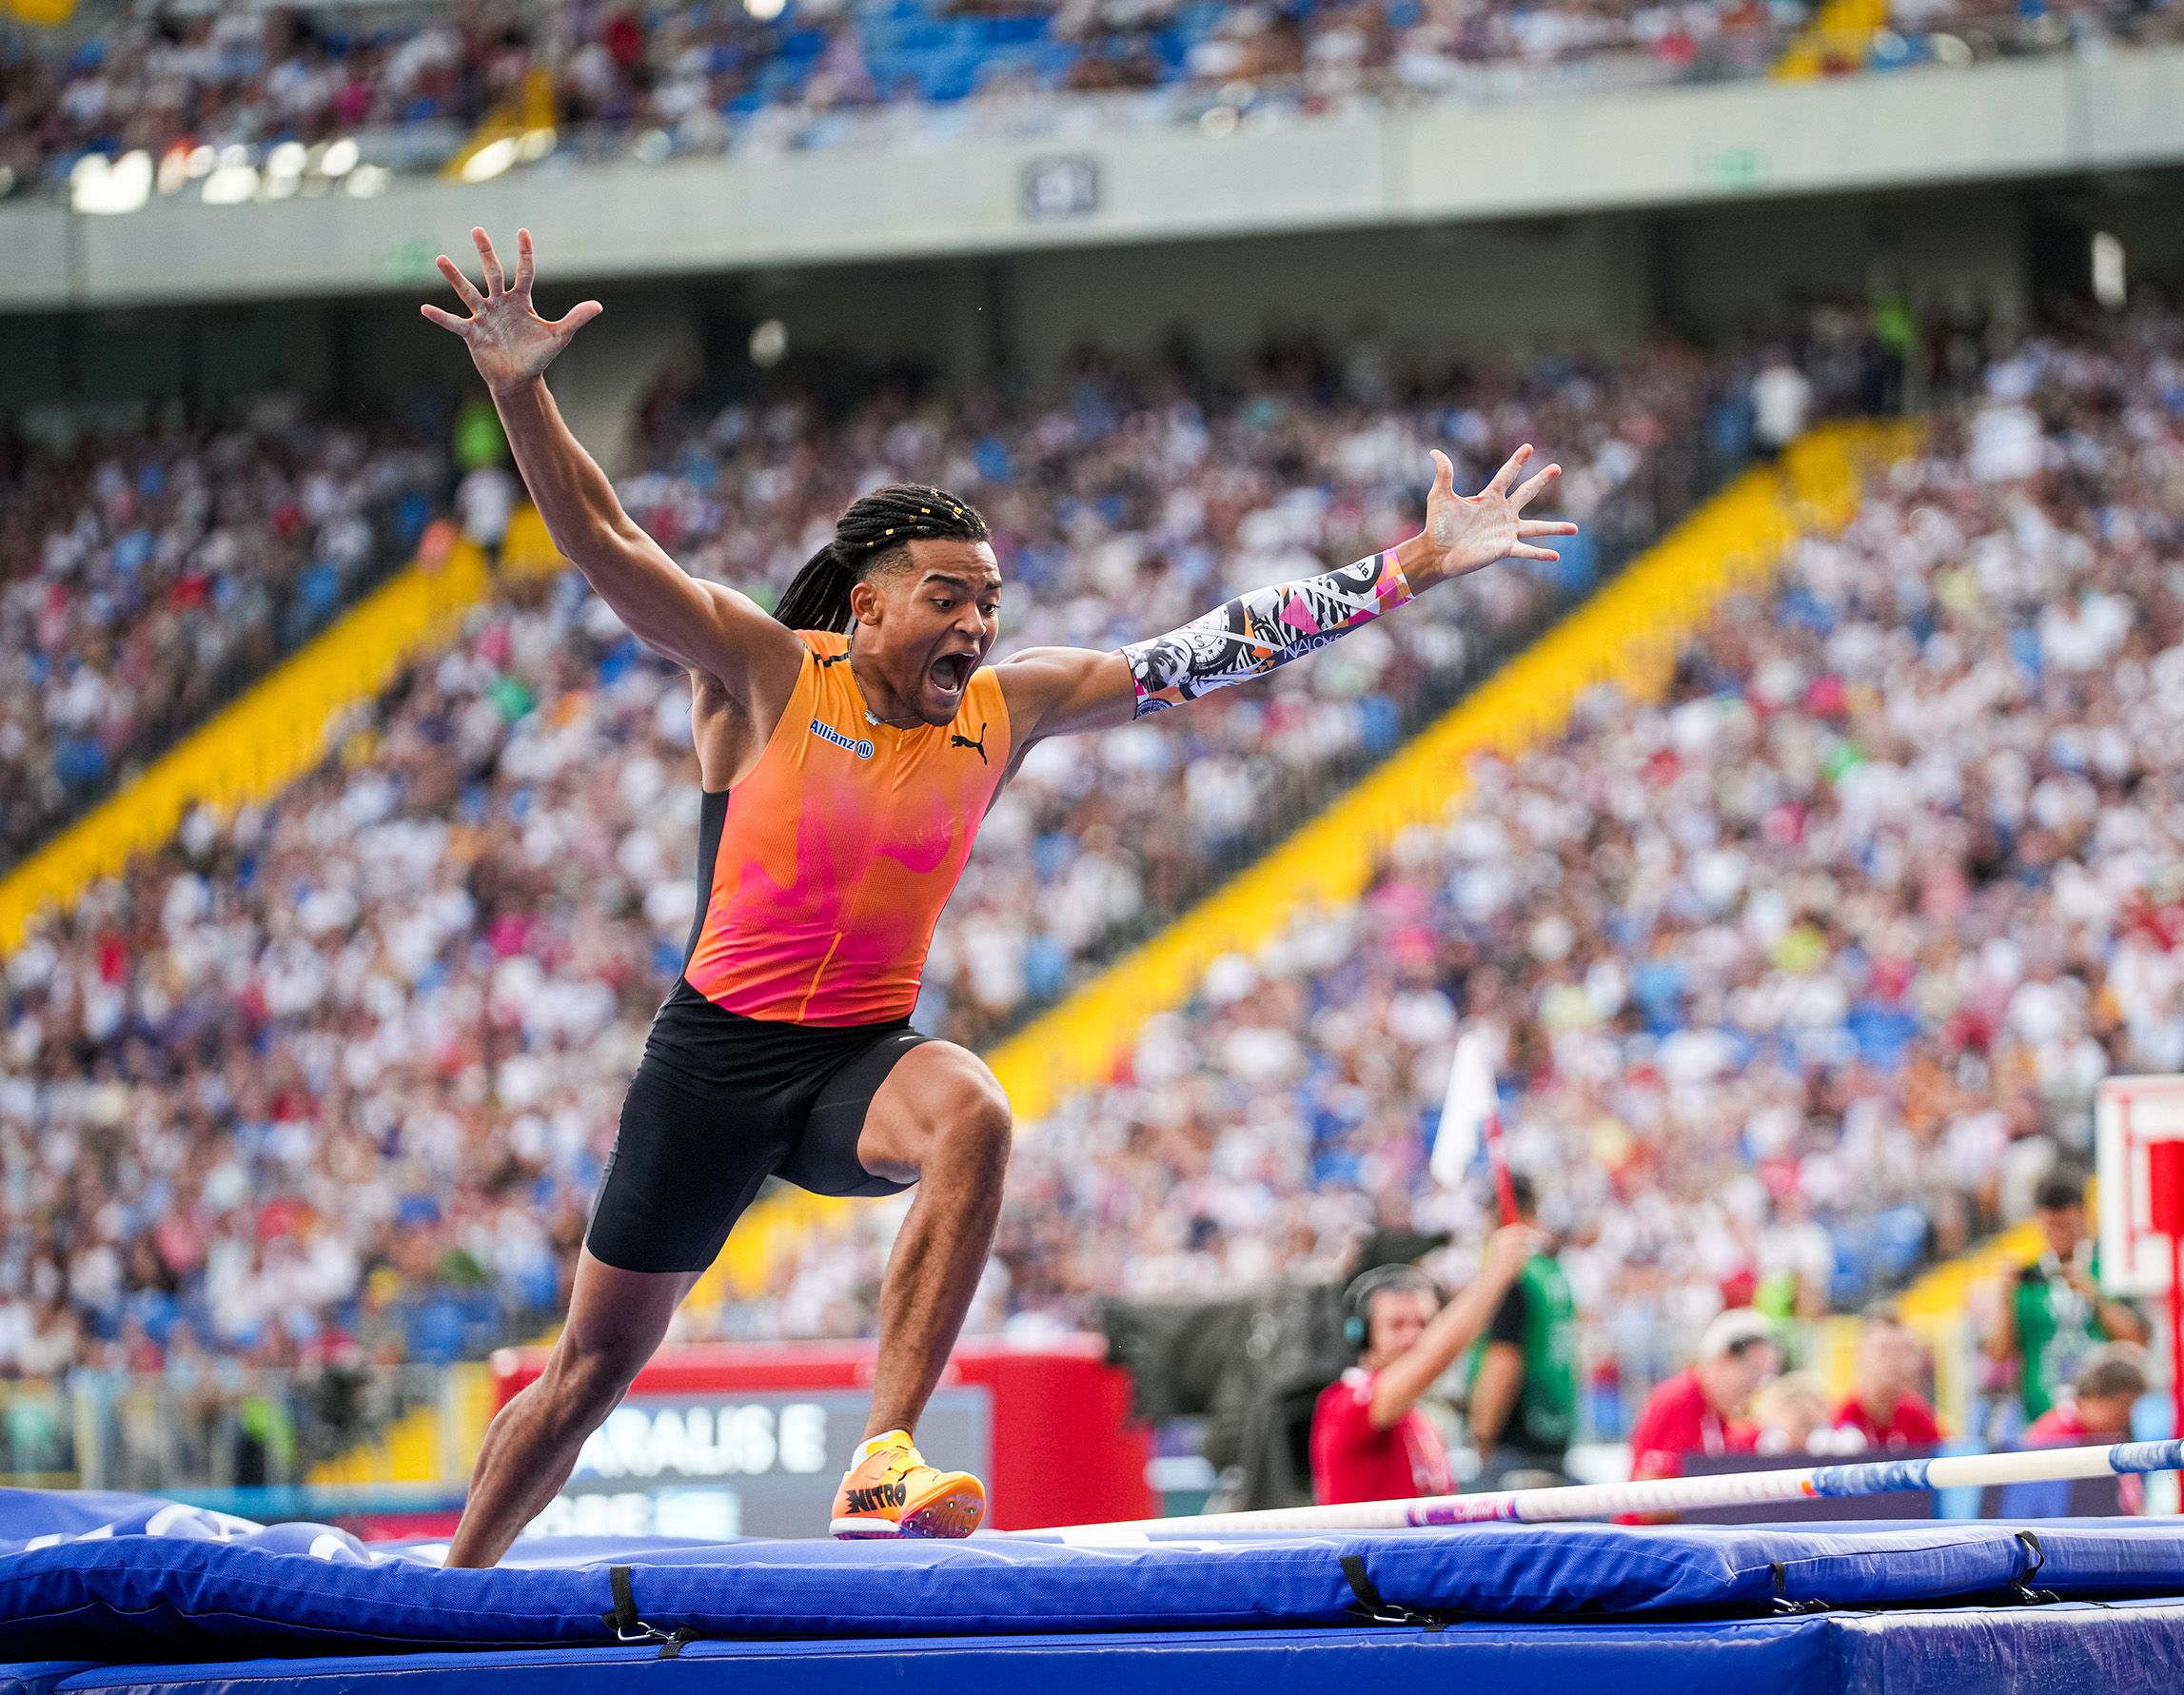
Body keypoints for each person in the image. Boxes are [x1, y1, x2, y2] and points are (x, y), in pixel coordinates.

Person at [419, 227, 1575, 1564]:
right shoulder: (763, 670)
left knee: (972, 1104)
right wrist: (520, 388)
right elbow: (603, 537)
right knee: (587, 1372)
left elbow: (1208, 651)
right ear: (865, 608)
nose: (976, 624)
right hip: (713, 1063)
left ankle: (882, 1458)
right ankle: (454, 1588)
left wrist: (1409, 568)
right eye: (947, 599)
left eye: (991, 601)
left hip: (858, 1054)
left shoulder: (1007, 709)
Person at [1311, 1228, 1548, 1507]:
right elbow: (1434, 1353)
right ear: (1361, 1334)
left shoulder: (1419, 1419)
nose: (1412, 1336)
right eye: (1397, 1325)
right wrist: (1495, 1275)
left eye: (1423, 1324)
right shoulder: (1343, 1404)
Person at [1990, 1168, 2148, 1433]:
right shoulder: (2029, 1279)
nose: (2058, 1235)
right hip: (2043, 1423)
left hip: (2108, 1426)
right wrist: (2005, 1299)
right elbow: (1999, 1354)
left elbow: (2137, 1341)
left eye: (2065, 1226)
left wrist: (2095, 1296)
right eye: (2050, 1227)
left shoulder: (2112, 1271)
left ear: (2084, 1217)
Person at [1465, 1174, 1577, 1489]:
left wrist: (1483, 1434)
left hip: (1515, 1437)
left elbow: (1504, 1360)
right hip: (1553, 1427)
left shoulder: (1513, 1277)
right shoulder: (1553, 1272)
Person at [1628, 1308, 1779, 1482]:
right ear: (1723, 1358)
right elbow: (1652, 1485)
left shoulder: (1715, 1410)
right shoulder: (1679, 1399)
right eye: (1752, 1372)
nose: (1754, 1387)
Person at [1832, 1313, 1942, 1450]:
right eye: (1884, 1351)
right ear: (1860, 1356)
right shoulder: (1841, 1421)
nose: (1895, 1361)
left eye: (1905, 1351)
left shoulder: (1918, 1417)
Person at [2022, 1342, 2150, 1445]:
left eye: (2131, 1407)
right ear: (2084, 1400)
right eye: (2121, 1406)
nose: (2125, 1416)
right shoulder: (2054, 1435)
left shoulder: (2124, 1434)